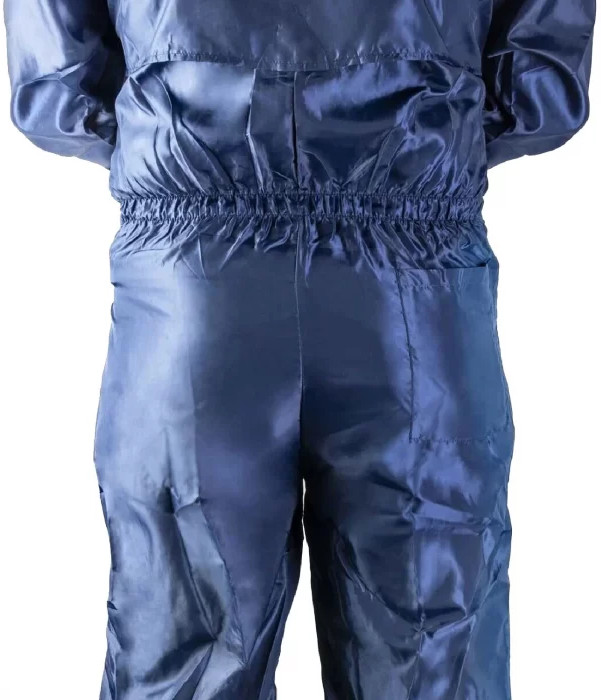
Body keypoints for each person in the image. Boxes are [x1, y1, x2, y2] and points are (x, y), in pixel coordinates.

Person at [4, 1, 595, 698]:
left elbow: (59, 83)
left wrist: (177, 138)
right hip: (412, 292)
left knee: (185, 656)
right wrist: (423, 135)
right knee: (431, 650)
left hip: (194, 286)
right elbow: (538, 84)